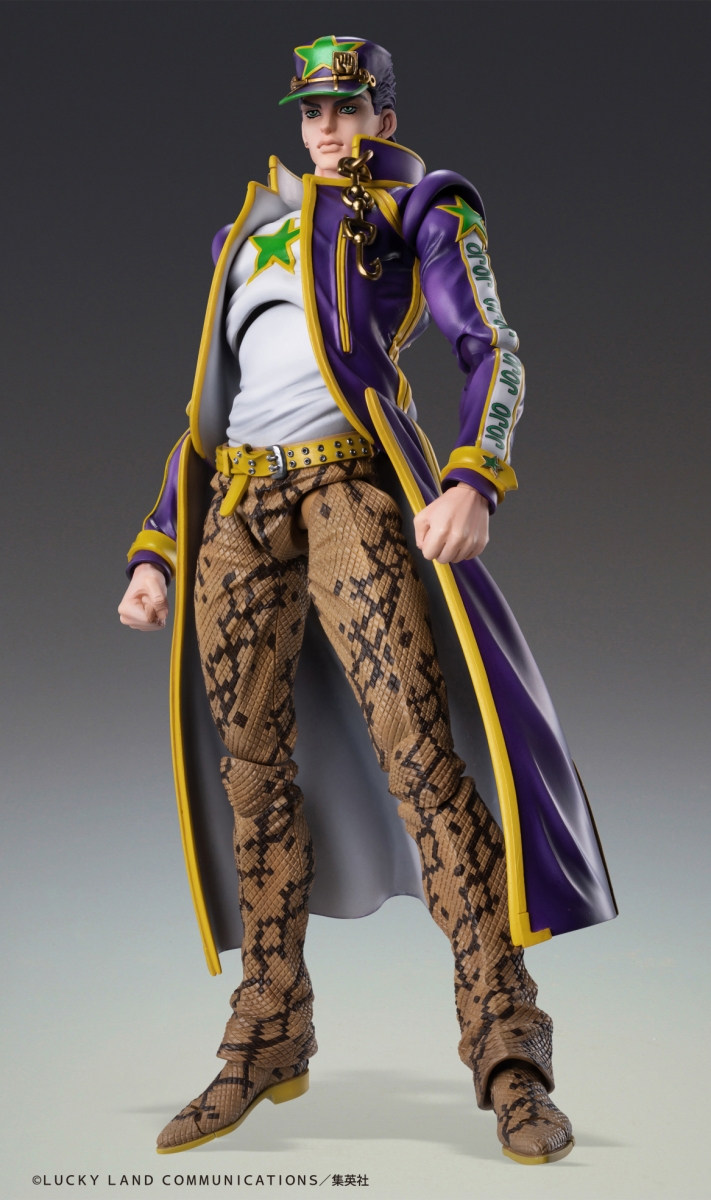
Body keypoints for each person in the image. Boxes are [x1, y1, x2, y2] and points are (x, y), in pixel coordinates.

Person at [119, 36, 616, 1164]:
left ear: (383, 116)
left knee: (420, 757)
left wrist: (472, 475)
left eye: (347, 108)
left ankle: (508, 1043)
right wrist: (156, 547)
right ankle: (268, 1029)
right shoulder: (246, 233)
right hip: (238, 511)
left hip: (350, 490)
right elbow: (206, 413)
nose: (327, 128)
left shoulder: (413, 208)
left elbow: (490, 346)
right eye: (312, 111)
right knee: (250, 776)